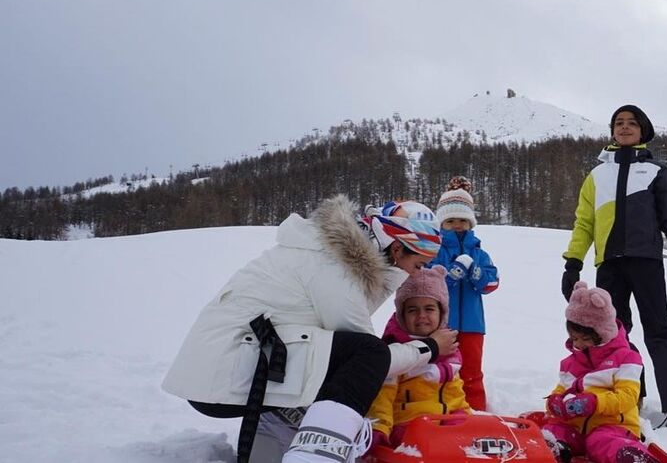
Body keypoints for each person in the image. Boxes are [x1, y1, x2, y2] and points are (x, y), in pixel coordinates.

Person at [161, 195, 459, 463]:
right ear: (396, 248)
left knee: (332, 361)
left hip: (232, 366)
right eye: (418, 264)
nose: (414, 273)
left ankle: (280, 443)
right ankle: (316, 455)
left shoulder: (331, 255)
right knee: (365, 356)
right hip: (225, 375)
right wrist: (431, 347)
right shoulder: (335, 268)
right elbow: (372, 360)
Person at [561, 105, 667, 427]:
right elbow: (584, 223)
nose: (624, 127)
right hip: (609, 265)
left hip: (646, 261)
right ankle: (629, 396)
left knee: (659, 329)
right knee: (612, 334)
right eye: (618, 123)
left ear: (643, 130)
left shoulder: (656, 171)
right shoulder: (597, 175)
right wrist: (573, 263)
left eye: (631, 123)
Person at [541, 281, 653, 463]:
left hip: (612, 427)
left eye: (584, 339)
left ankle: (631, 457)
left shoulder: (626, 359)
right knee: (555, 431)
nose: (577, 344)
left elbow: (627, 397)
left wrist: (595, 403)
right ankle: (551, 450)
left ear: (601, 333)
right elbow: (561, 389)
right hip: (574, 428)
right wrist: (554, 402)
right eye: (573, 338)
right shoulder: (570, 363)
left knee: (601, 441)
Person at [367, 264, 471, 448]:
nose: (421, 315)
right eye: (413, 310)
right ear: (401, 315)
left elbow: (455, 393)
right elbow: (382, 397)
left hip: (449, 419)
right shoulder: (397, 350)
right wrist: (378, 429)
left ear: (442, 313)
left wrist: (465, 415)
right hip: (409, 425)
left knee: (471, 439)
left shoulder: (449, 348)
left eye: (429, 309)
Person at [431, 176, 500, 410]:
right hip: (441, 324)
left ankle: (476, 413)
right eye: (451, 220)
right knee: (441, 369)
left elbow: (492, 283)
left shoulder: (479, 253)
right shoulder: (434, 250)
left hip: (472, 325)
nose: (457, 225)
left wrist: (476, 273)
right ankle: (441, 409)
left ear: (470, 223)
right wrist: (450, 276)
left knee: (471, 371)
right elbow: (426, 281)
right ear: (442, 223)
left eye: (462, 220)